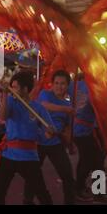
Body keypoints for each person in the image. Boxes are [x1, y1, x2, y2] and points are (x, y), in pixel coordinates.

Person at [0, 71, 54, 205]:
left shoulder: (38, 108)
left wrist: (50, 132)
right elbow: (3, 117)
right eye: (11, 86)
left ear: (25, 89)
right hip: (8, 154)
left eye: (15, 87)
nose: (12, 89)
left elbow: (48, 133)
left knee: (42, 193)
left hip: (29, 157)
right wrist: (5, 94)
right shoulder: (11, 101)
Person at [23, 70, 76, 205]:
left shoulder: (68, 104)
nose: (59, 86)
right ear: (51, 85)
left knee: (67, 176)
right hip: (38, 143)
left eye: (63, 84)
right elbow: (44, 106)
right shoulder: (45, 94)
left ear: (67, 85)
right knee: (32, 175)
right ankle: (27, 201)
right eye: (56, 83)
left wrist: (69, 143)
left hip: (55, 144)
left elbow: (67, 126)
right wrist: (65, 110)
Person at [70, 73, 107, 202]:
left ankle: (82, 188)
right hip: (83, 130)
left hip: (82, 130)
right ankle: (95, 192)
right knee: (95, 160)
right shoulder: (93, 87)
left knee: (87, 160)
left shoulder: (76, 85)